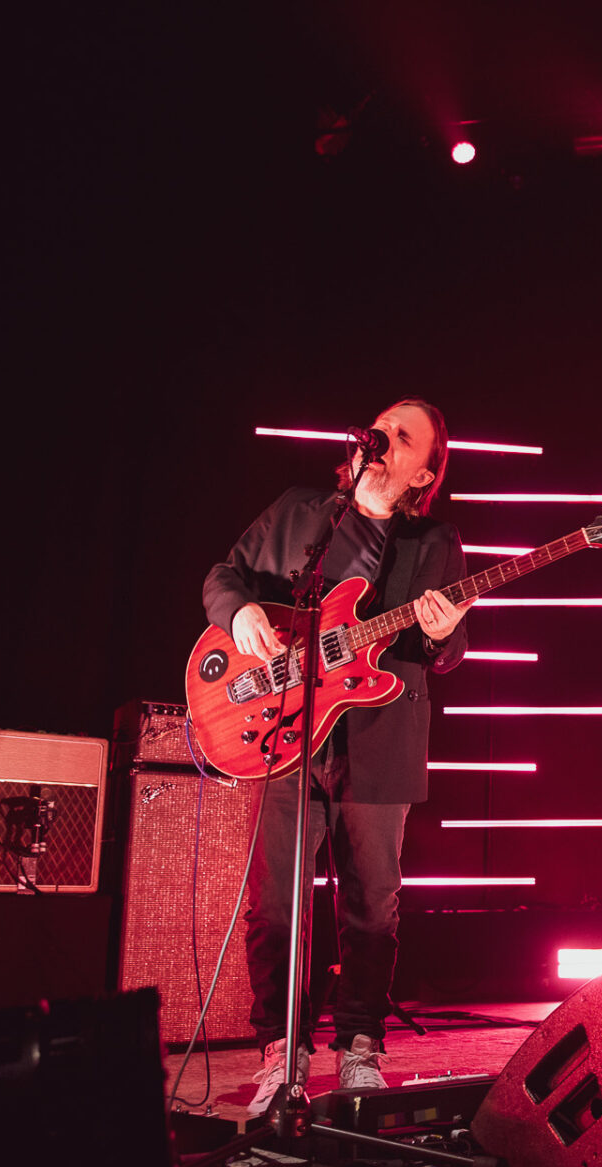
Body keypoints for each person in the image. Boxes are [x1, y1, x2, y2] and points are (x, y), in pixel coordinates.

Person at [202, 397, 471, 1115]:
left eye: (404, 435)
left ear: (424, 474)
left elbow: (444, 654)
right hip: (285, 730)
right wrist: (244, 614)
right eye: (381, 425)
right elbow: (222, 578)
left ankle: (360, 1046)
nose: (384, 437)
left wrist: (444, 635)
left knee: (371, 903)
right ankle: (277, 1053)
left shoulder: (435, 541)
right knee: (275, 902)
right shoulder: (300, 512)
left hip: (380, 740)